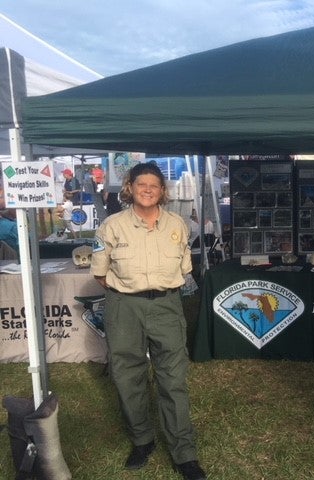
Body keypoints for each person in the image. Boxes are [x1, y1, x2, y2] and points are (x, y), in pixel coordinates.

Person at [90, 162, 206, 480]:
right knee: (128, 377)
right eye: (141, 184)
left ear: (162, 191)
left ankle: (184, 453)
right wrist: (129, 293)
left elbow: (184, 268)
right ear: (130, 187)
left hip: (167, 306)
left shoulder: (178, 225)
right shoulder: (111, 226)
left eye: (154, 185)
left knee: (173, 380)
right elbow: (100, 274)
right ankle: (142, 440)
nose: (147, 190)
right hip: (124, 307)